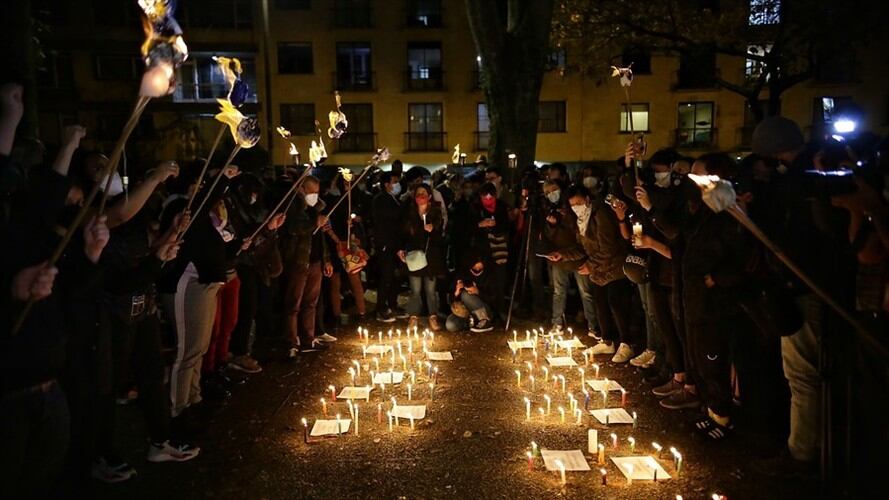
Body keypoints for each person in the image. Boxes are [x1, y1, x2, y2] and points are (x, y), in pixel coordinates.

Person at [159, 163, 240, 418]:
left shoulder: (207, 212)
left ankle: (193, 398)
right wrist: (222, 179)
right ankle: (176, 410)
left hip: (206, 283)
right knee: (187, 349)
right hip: (185, 282)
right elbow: (196, 211)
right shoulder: (178, 207)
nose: (202, 189)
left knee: (199, 347)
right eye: (199, 184)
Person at [568, 185, 636, 363]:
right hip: (599, 271)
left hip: (614, 267)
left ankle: (627, 343)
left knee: (617, 305)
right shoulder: (581, 220)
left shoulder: (600, 214)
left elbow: (608, 246)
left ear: (587, 199)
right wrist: (563, 254)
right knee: (601, 305)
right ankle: (607, 341)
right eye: (572, 205)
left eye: (578, 202)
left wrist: (590, 265)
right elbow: (583, 247)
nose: (576, 207)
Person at [280, 175, 333, 357]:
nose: (315, 196)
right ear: (300, 189)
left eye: (317, 192)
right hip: (299, 262)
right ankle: (291, 342)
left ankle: (308, 338)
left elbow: (320, 238)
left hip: (315, 262)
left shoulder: (314, 209)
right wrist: (313, 222)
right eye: (311, 192)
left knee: (311, 303)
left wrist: (326, 259)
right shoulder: (292, 207)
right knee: (293, 303)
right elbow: (293, 228)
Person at [540, 179, 597, 334]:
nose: (552, 194)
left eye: (554, 189)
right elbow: (548, 236)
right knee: (559, 291)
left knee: (586, 292)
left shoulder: (573, 209)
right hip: (560, 258)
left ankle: (593, 325)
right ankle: (557, 323)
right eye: (547, 192)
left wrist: (565, 219)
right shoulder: (548, 209)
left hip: (578, 257)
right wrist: (552, 225)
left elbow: (579, 235)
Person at [399, 183, 446, 331]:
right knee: (415, 289)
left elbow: (441, 238)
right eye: (418, 193)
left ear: (430, 196)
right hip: (414, 256)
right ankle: (413, 316)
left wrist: (433, 230)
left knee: (431, 290)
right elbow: (404, 235)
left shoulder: (436, 213)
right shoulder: (409, 213)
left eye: (424, 193)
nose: (421, 196)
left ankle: (433, 316)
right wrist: (401, 250)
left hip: (431, 257)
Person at [470, 182, 510, 318]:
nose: (488, 200)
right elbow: (468, 227)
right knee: (485, 279)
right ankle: (486, 309)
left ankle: (500, 309)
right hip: (483, 249)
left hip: (499, 249)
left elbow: (506, 225)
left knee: (499, 279)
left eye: (491, 197)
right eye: (485, 197)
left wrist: (495, 226)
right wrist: (480, 224)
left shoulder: (501, 206)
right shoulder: (475, 208)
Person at [372, 171, 405, 322]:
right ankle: (381, 307)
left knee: (395, 276)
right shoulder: (381, 200)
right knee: (386, 276)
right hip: (386, 243)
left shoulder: (394, 199)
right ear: (386, 184)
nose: (397, 184)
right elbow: (387, 219)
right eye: (394, 181)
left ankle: (392, 304)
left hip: (395, 243)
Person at [445, 254, 495, 333]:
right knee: (450, 325)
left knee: (466, 295)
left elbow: (493, 299)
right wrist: (456, 292)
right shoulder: (462, 274)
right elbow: (451, 300)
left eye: (480, 268)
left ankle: (485, 321)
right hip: (466, 312)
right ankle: (472, 322)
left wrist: (478, 292)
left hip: (484, 311)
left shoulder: (488, 276)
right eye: (475, 267)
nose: (477, 269)